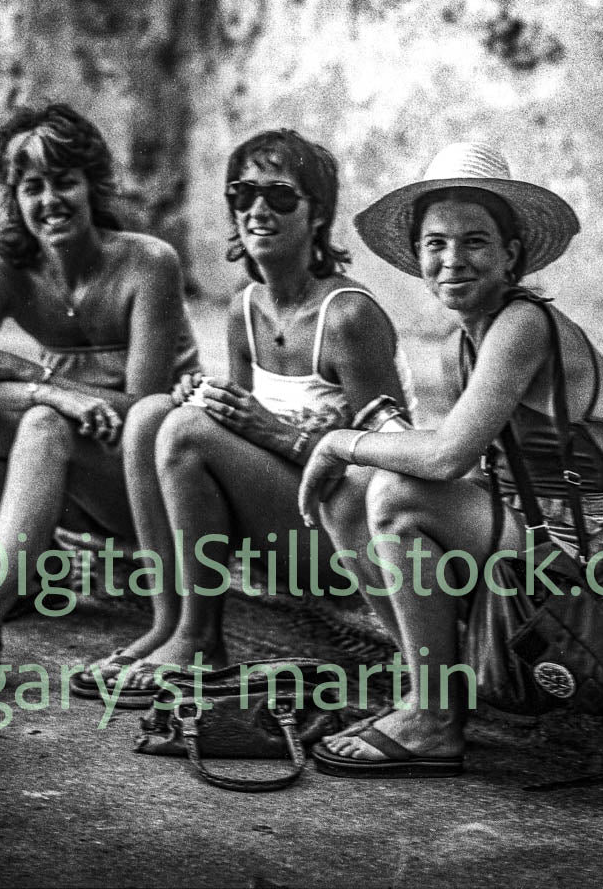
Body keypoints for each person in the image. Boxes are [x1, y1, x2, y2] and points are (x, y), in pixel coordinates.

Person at [299, 139, 603, 777]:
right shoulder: (464, 342)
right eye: (435, 243)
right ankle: (427, 690)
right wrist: (361, 448)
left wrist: (339, 439)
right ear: (417, 256)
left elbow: (447, 457)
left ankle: (434, 721)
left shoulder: (522, 325)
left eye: (475, 241)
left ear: (511, 255)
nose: (451, 259)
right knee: (352, 494)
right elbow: (457, 462)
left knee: (394, 494)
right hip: (536, 544)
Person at [71, 128, 415, 701]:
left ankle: (201, 640)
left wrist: (268, 429)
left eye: (280, 196)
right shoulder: (245, 309)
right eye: (242, 193)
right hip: (277, 532)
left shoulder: (348, 317)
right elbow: (237, 435)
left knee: (183, 431)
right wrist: (210, 402)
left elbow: (391, 473)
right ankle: (170, 624)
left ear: (317, 215)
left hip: (346, 547)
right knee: (154, 416)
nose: (258, 209)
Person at [0, 103, 199, 709]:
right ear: (14, 198)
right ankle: (36, 566)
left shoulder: (148, 263)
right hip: (81, 464)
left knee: (44, 425)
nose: (50, 200)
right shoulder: (9, 271)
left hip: (154, 484)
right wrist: (45, 389)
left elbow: (144, 408)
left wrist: (34, 376)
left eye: (64, 181)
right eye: (32, 186)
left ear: (92, 187)